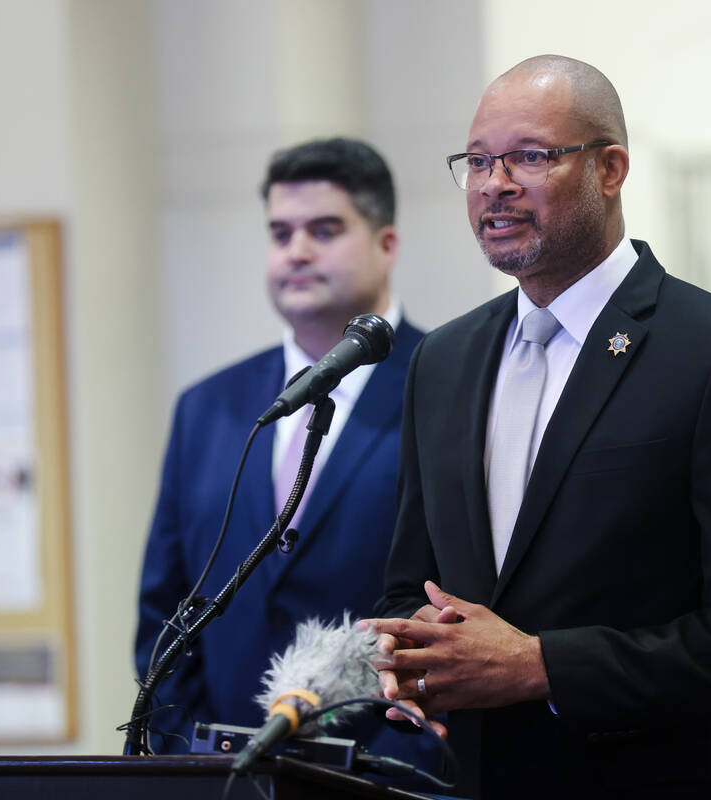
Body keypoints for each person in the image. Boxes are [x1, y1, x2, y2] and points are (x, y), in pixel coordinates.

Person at [365, 55, 711, 798]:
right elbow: (407, 584)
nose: (495, 183)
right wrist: (407, 650)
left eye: (529, 156)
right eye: (479, 161)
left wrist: (542, 665)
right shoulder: (444, 360)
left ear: (610, 169)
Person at [135, 137, 425, 755]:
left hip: (388, 777)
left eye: (324, 229)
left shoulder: (448, 383)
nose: (296, 251)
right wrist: (188, 755)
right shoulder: (209, 406)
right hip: (219, 777)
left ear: (386, 244)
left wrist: (402, 764)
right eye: (280, 232)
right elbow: (166, 608)